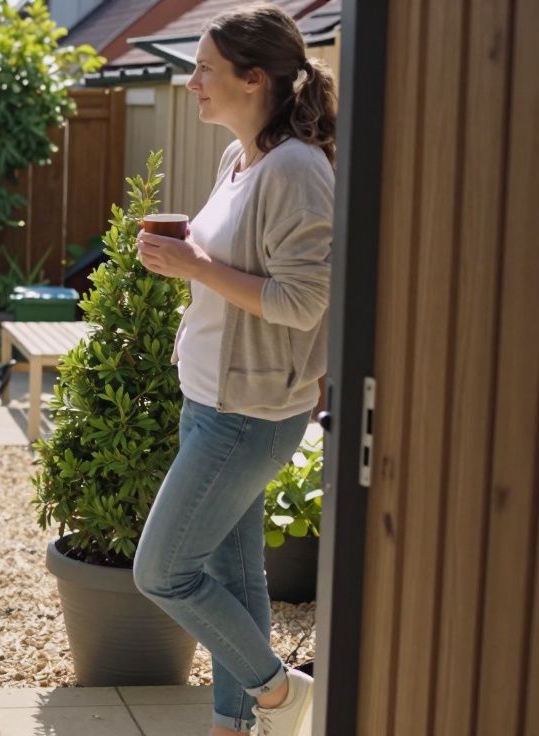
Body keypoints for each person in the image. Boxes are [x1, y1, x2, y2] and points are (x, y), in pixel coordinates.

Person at [130, 4, 336, 735]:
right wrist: (184, 248)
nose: (192, 84)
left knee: (161, 571)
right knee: (232, 575)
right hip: (209, 402)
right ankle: (233, 725)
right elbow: (238, 259)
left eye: (205, 69)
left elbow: (303, 303)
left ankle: (279, 693)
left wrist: (196, 263)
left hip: (246, 416)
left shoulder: (298, 170)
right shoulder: (240, 159)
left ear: (255, 79)